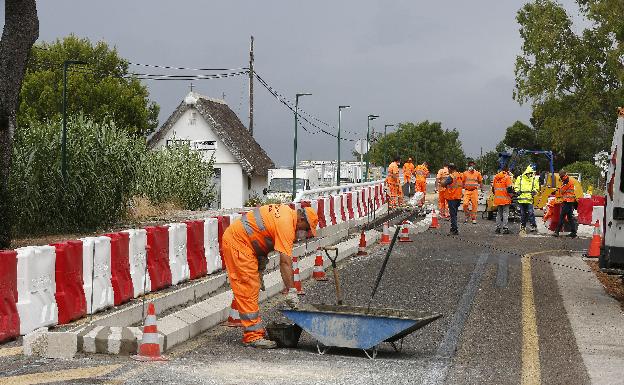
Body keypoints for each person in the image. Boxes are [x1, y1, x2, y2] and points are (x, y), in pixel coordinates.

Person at [221, 204, 319, 348]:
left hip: (243, 243)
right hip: (238, 244)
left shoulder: (286, 214)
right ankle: (253, 336)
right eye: (306, 228)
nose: (305, 232)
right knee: (248, 288)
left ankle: (254, 332)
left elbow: (262, 233)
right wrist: (291, 291)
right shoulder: (286, 225)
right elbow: (285, 262)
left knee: (251, 288)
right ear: (301, 219)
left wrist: (260, 261)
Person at [514, 165, 539, 234]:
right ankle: (523, 226)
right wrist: (517, 190)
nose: (531, 174)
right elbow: (516, 186)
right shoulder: (520, 178)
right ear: (527, 172)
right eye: (530, 173)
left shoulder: (534, 179)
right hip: (521, 200)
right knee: (523, 214)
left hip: (529, 199)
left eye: (532, 173)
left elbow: (536, 188)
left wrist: (535, 191)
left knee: (530, 213)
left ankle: (533, 226)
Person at [553, 170, 578, 238]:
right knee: (570, 217)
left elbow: (562, 191)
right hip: (570, 201)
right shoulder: (568, 180)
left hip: (567, 201)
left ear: (562, 175)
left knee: (562, 216)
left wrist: (558, 189)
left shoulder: (566, 181)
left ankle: (557, 231)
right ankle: (573, 232)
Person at [441, 163, 463, 235]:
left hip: (452, 197)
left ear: (450, 169)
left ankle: (454, 229)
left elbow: (443, 184)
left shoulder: (451, 176)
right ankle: (453, 228)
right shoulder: (460, 175)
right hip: (458, 197)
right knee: (455, 213)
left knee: (453, 214)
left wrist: (441, 182)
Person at [492, 166, 513, 234]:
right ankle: (505, 228)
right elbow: (509, 189)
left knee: (499, 213)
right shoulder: (507, 177)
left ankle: (497, 228)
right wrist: (511, 196)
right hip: (505, 199)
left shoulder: (496, 177)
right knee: (505, 213)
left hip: (498, 199)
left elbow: (493, 189)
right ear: (507, 170)